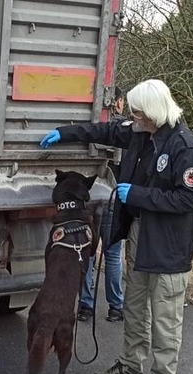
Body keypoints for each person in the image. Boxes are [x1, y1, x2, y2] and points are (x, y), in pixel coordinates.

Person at [39, 79, 193, 374]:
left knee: (164, 317)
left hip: (168, 247)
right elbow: (102, 132)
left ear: (155, 113)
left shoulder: (186, 150)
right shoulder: (141, 134)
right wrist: (65, 132)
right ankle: (131, 366)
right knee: (134, 305)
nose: (133, 118)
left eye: (138, 112)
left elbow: (189, 199)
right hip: (141, 236)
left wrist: (139, 195)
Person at [78, 87, 126, 323]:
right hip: (115, 198)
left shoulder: (94, 126)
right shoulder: (128, 131)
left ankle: (85, 306)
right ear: (118, 102)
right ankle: (115, 307)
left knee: (86, 252)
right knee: (113, 255)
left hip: (91, 196)